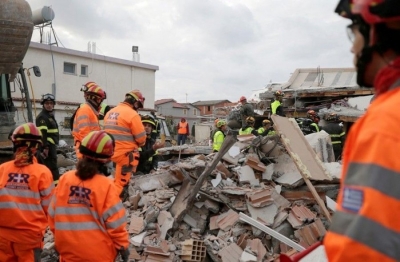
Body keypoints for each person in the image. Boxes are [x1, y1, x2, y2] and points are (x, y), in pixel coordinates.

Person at [324, 1, 400, 260]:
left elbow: (363, 249)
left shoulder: (386, 122)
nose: (351, 47)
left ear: (378, 33)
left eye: (354, 32)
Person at [48, 130, 130, 262]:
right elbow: (116, 224)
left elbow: (52, 215)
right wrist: (123, 246)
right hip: (98, 255)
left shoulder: (65, 180)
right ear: (105, 160)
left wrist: (61, 240)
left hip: (68, 253)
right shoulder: (107, 186)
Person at [0, 123, 54, 262]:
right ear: (36, 148)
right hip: (30, 238)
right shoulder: (42, 172)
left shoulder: (3, 169)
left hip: (3, 236)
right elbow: (50, 208)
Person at [104, 90, 146, 195]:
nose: (138, 108)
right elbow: (141, 139)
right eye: (138, 106)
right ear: (135, 103)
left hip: (109, 155)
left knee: (111, 180)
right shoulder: (132, 115)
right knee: (120, 184)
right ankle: (115, 206)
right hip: (125, 157)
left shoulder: (110, 113)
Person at [72, 82, 106, 159]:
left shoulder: (91, 111)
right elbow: (84, 134)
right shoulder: (85, 110)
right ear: (96, 99)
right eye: (100, 100)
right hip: (86, 151)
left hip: (89, 150)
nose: (101, 102)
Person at [36, 93, 60, 183]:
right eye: (47, 103)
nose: (49, 105)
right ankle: (55, 187)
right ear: (43, 104)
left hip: (51, 145)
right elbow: (43, 134)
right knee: (52, 167)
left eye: (51, 103)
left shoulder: (49, 116)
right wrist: (45, 148)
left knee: (52, 166)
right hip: (48, 147)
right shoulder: (42, 117)